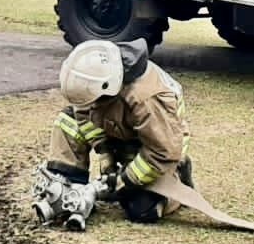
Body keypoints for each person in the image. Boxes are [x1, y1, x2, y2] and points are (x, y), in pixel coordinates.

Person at [39, 38, 194, 226]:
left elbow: (163, 150)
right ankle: (69, 188)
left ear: (108, 88)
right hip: (121, 131)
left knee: (141, 209)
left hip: (157, 148)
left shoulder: (147, 98)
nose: (90, 105)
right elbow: (83, 113)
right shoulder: (97, 81)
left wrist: (123, 180)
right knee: (67, 121)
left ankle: (177, 178)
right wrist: (104, 152)